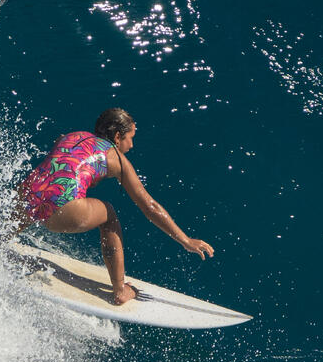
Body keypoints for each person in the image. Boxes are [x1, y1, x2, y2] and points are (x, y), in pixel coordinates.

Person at [13, 108, 214, 305]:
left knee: (38, 199)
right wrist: (185, 240)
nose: (132, 145)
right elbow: (150, 206)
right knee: (109, 215)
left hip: (27, 194)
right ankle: (120, 290)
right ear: (117, 137)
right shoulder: (116, 158)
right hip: (63, 209)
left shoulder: (71, 136)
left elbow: (60, 165)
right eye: (130, 137)